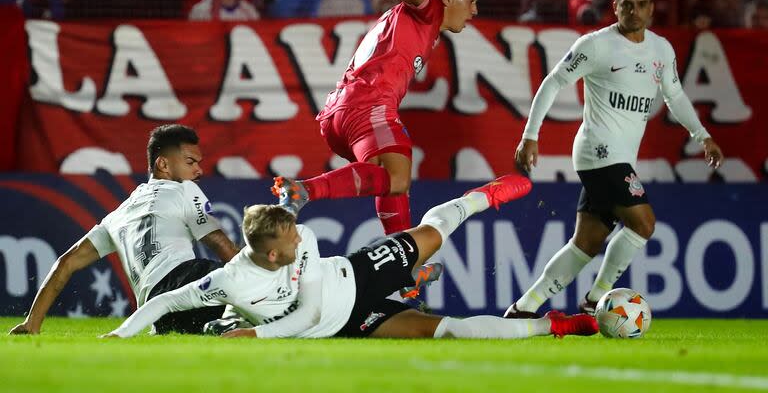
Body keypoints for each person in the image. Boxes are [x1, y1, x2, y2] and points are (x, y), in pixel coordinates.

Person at [105, 174, 598, 340]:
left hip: (357, 273)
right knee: (451, 329)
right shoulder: (231, 282)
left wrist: (252, 334)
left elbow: (310, 313)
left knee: (433, 230)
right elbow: (165, 303)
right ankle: (555, 325)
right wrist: (122, 332)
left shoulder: (308, 241)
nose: (303, 239)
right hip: (354, 320)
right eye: (292, 240)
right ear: (271, 253)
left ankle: (479, 198)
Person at [504, 0, 724, 319]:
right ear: (616, 7)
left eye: (641, 4)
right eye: (626, 4)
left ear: (651, 8)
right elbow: (554, 82)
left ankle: (524, 307)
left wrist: (702, 135)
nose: (633, 11)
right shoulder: (596, 45)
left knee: (586, 243)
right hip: (598, 151)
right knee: (643, 224)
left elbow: (675, 96)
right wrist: (530, 134)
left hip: (620, 157)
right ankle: (597, 300)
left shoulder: (661, 50)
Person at [271, 0, 478, 239]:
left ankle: (404, 263)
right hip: (367, 104)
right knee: (397, 176)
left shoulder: (416, 22)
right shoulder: (429, 9)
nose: (474, 11)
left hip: (341, 113)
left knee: (392, 178)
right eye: (472, 1)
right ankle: (303, 191)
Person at [8, 125, 239, 335]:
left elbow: (65, 263)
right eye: (190, 162)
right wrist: (255, 275)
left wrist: (32, 322)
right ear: (163, 164)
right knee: (264, 294)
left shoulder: (117, 215)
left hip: (156, 312)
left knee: (228, 326)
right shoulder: (185, 189)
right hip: (188, 279)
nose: (198, 170)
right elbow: (217, 241)